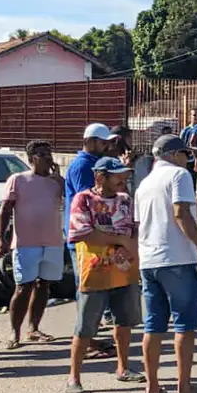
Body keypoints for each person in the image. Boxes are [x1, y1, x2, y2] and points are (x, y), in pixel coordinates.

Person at [136, 134, 197, 393]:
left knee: (153, 325)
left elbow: (142, 223)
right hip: (177, 258)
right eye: (186, 154)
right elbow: (180, 214)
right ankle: (184, 387)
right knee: (185, 324)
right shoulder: (179, 176)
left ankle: (152, 387)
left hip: (149, 259)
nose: (188, 159)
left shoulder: (144, 184)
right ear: (173, 155)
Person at [66, 157, 144, 393]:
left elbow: (134, 230)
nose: (124, 179)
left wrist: (121, 239)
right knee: (86, 327)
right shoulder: (84, 200)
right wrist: (121, 240)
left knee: (123, 322)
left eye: (124, 175)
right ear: (100, 177)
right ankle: (74, 378)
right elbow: (86, 234)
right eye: (117, 175)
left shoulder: (125, 200)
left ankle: (123, 367)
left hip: (125, 271)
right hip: (95, 271)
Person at [0, 140, 64, 349]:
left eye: (49, 153)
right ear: (32, 158)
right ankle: (14, 332)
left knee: (44, 285)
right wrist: (1, 237)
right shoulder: (18, 180)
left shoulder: (56, 182)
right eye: (43, 154)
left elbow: (67, 200)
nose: (48, 157)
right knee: (23, 286)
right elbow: (5, 209)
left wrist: (59, 178)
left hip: (52, 241)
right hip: (26, 243)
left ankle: (33, 328)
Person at [65, 123, 115, 357]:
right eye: (104, 142)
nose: (107, 146)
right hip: (85, 236)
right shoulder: (83, 166)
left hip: (94, 234)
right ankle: (84, 340)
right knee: (86, 287)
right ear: (91, 141)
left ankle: (89, 337)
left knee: (93, 285)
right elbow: (90, 201)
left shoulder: (90, 164)